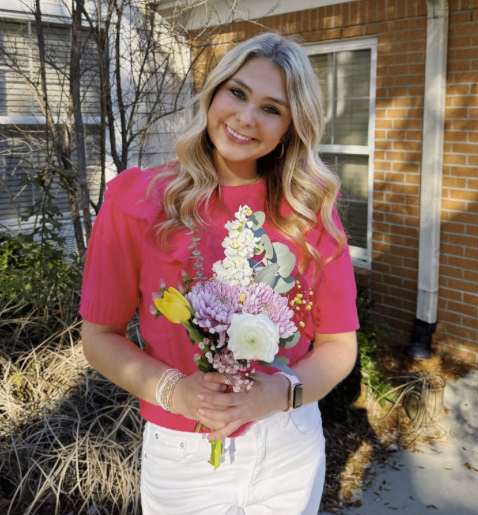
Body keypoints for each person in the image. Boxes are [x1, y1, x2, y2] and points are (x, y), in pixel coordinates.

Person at [80, 32, 359, 515]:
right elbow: (99, 336)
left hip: (288, 443)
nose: (246, 118)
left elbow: (339, 345)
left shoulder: (309, 213)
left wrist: (280, 393)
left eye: (272, 108)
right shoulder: (138, 201)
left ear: (292, 127)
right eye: (238, 92)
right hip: (183, 451)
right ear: (213, 92)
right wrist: (176, 390)